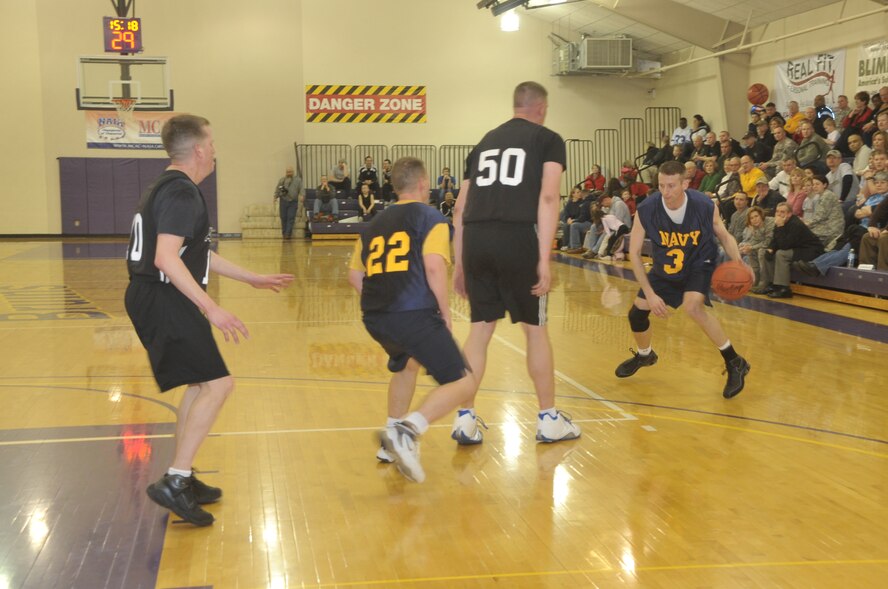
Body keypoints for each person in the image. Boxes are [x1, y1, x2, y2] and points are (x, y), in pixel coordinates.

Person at [125, 115, 294, 525]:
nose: (216, 150)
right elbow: (166, 258)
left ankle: (183, 473)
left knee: (201, 382)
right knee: (220, 384)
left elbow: (194, 254)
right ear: (199, 150)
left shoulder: (168, 187)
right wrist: (211, 308)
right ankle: (176, 479)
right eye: (213, 143)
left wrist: (250, 277)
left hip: (156, 294)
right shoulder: (182, 193)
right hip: (163, 296)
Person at [451, 81, 581, 444]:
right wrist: (544, 257)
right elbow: (550, 195)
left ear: (515, 106)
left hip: (476, 237)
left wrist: (459, 263)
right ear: (541, 107)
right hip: (518, 236)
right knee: (535, 329)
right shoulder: (548, 139)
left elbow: (459, 208)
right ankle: (549, 419)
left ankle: (464, 418)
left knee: (479, 330)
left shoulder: (482, 143)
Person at [347, 156, 475, 483]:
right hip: (413, 312)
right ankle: (407, 430)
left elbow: (354, 275)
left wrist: (382, 301)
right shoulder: (430, 216)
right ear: (422, 184)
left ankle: (390, 442)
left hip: (376, 316)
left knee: (408, 365)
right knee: (463, 381)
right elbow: (433, 265)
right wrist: (444, 315)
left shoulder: (374, 223)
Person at [614, 160, 751, 399]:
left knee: (693, 307)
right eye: (661, 186)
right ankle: (646, 354)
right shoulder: (647, 209)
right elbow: (634, 253)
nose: (666, 192)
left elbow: (724, 235)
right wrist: (650, 293)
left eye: (671, 186)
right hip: (664, 268)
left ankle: (734, 361)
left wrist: (738, 262)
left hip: (699, 262)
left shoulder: (704, 205)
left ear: (685, 183)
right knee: (637, 313)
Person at [755, 202, 824, 298]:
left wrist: (781, 226)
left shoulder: (795, 224)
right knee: (765, 252)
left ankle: (783, 288)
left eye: (782, 212)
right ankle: (771, 284)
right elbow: (775, 239)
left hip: (810, 250)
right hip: (796, 248)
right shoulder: (780, 222)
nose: (779, 214)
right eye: (777, 211)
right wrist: (770, 248)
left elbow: (785, 245)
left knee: (781, 254)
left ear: (789, 214)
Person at [739, 206, 775, 290]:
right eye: (751, 218)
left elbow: (767, 242)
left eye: (756, 216)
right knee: (750, 251)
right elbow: (755, 240)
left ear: (761, 215)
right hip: (767, 246)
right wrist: (747, 246)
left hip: (776, 246)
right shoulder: (755, 227)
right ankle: (755, 279)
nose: (754, 219)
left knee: (761, 251)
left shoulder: (770, 222)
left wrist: (751, 247)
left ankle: (764, 281)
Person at [273, 166, 302, 239]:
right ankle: (284, 234)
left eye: (290, 172)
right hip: (283, 201)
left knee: (290, 218)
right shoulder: (282, 180)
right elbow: (277, 189)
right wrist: (275, 197)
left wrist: (302, 195)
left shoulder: (298, 180)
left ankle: (287, 234)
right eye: (287, 172)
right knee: (283, 218)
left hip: (293, 202)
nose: (289, 173)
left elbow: (301, 189)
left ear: (293, 172)